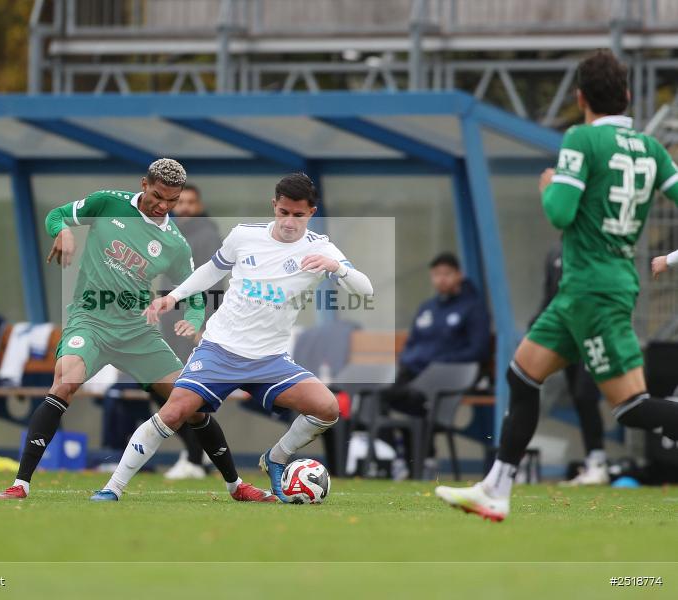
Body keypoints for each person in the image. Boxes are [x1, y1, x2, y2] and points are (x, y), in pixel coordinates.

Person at [436, 50, 678, 521]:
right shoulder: (650, 149)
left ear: (581, 97)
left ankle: (496, 487)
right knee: (521, 375)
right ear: (627, 96)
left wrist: (550, 184)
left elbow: (560, 213)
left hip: (591, 289)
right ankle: (496, 488)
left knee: (630, 408)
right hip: (589, 289)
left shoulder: (581, 138)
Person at [0, 159, 272, 503]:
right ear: (144, 184)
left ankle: (236, 486)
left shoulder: (175, 243)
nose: (163, 206)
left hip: (138, 332)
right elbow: (56, 215)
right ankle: (21, 484)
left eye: (171, 200)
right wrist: (62, 230)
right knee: (65, 381)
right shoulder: (107, 203)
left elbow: (195, 294)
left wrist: (195, 320)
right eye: (157, 196)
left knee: (191, 403)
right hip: (90, 320)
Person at [90, 172, 374, 502]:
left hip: (270, 360)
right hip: (220, 350)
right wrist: (173, 297)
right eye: (283, 212)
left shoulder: (321, 249)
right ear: (274, 206)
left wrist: (335, 267)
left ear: (312, 212)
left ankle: (276, 458)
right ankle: (113, 487)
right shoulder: (244, 236)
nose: (289, 222)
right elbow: (211, 270)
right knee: (172, 412)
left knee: (326, 408)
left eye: (298, 215)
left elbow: (365, 289)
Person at [381, 251, 490, 476]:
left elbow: (478, 350)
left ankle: (421, 458)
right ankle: (395, 458)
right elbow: (412, 343)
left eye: (447, 274)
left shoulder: (473, 307)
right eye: (437, 274)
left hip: (445, 377)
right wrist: (408, 361)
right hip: (412, 375)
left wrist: (440, 362)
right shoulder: (427, 308)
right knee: (375, 395)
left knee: (411, 399)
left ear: (459, 275)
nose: (441, 279)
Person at [159, 183, 224, 480]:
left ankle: (196, 457)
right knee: (162, 387)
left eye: (190, 202)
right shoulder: (169, 233)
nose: (184, 207)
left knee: (183, 390)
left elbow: (213, 284)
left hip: (193, 325)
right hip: (172, 323)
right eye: (179, 202)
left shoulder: (207, 235)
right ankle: (197, 455)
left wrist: (203, 326)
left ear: (199, 205)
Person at [533, 241, 608, 486]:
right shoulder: (555, 253)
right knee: (577, 397)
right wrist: (535, 327)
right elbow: (549, 298)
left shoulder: (597, 247)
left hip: (594, 334)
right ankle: (594, 461)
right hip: (567, 337)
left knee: (589, 395)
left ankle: (598, 461)